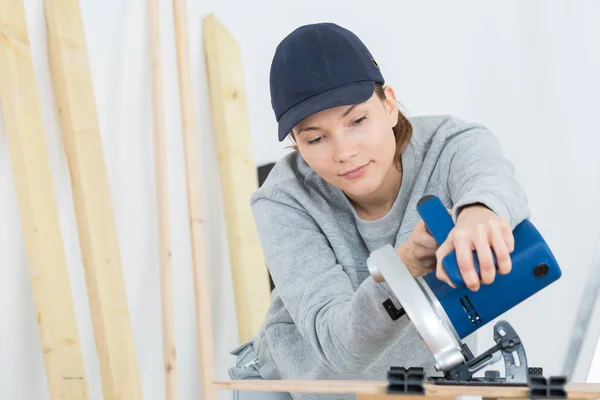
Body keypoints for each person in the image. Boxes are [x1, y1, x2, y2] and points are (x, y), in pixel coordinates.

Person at [227, 22, 530, 400]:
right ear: (296, 143)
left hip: (415, 385)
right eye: (315, 137)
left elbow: (492, 181)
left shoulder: (451, 144)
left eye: (357, 121)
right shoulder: (281, 200)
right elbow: (340, 352)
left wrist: (480, 211)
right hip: (296, 386)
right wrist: (400, 270)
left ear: (388, 105)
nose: (344, 152)